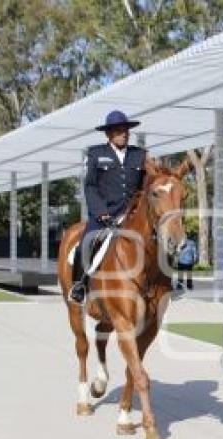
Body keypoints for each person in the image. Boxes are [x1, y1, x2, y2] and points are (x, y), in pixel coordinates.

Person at [69, 110, 147, 305]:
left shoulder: (140, 155)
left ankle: (171, 282)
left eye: (126, 130)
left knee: (161, 239)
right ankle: (79, 285)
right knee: (85, 243)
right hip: (105, 215)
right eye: (120, 131)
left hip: (132, 214)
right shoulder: (96, 153)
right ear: (109, 134)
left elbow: (146, 186)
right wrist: (101, 211)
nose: (125, 134)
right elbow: (90, 186)